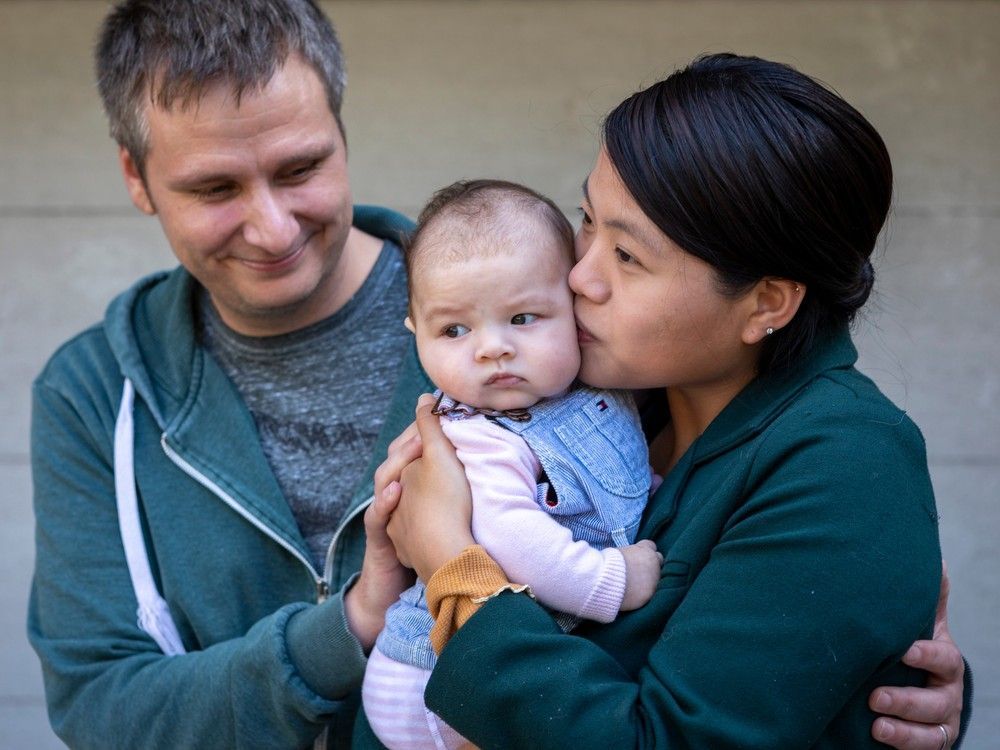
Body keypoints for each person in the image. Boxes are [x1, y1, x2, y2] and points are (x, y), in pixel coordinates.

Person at [24, 0, 965, 746]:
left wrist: (454, 571)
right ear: (136, 177)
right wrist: (355, 622)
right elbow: (100, 702)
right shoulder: (97, 394)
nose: (576, 277)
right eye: (214, 188)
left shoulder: (561, 345)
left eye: (300, 166)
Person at [366, 54, 976, 749]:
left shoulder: (844, 464)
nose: (578, 274)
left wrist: (454, 566)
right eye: (588, 220)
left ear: (766, 302)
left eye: (628, 257)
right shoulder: (585, 392)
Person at [362, 179, 662, 750]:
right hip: (428, 674)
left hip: (485, 658)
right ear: (416, 336)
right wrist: (613, 581)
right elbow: (513, 538)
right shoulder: (476, 439)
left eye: (523, 318)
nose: (491, 348)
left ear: (573, 309)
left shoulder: (594, 396)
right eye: (454, 330)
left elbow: (613, 480)